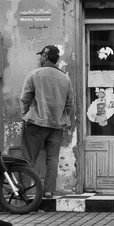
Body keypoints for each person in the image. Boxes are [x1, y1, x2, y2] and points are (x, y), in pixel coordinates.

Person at [20, 44, 73, 198]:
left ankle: (25, 190)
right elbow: (70, 105)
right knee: (52, 158)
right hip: (56, 125)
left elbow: (25, 98)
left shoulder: (34, 74)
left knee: (28, 158)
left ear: (44, 57)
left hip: (36, 123)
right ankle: (49, 190)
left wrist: (25, 115)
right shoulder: (65, 78)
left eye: (41, 56)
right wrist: (62, 118)